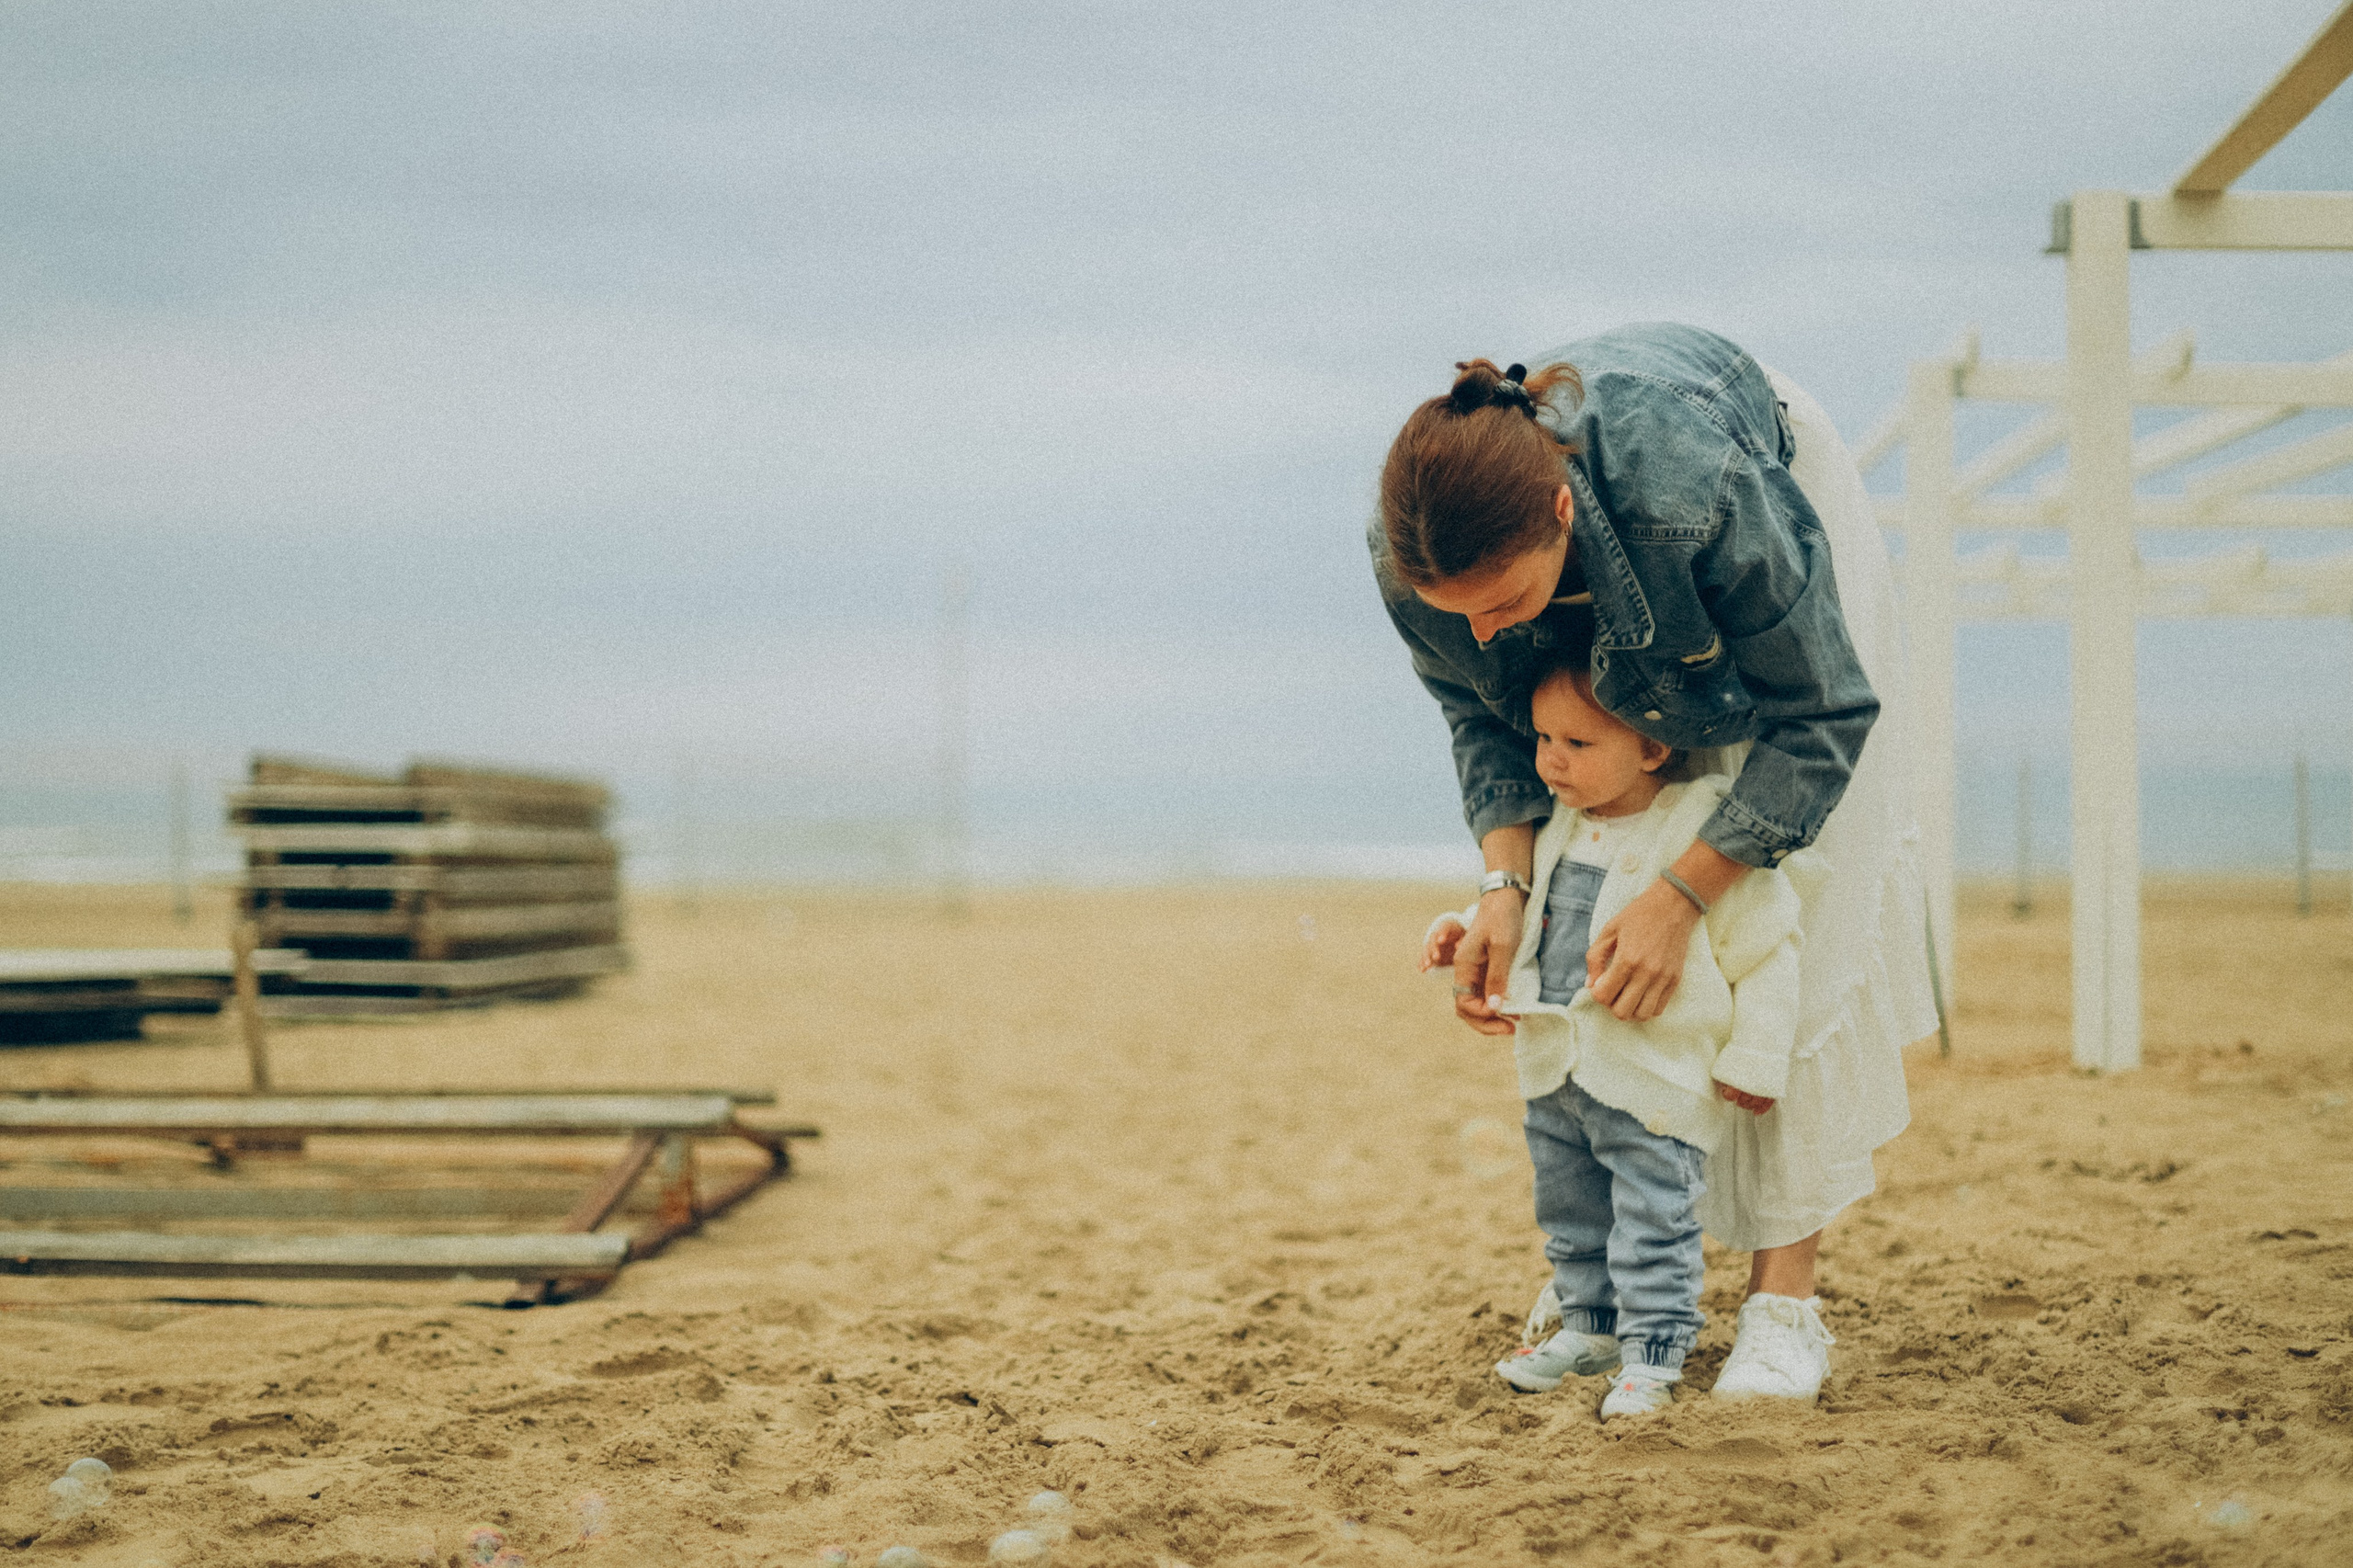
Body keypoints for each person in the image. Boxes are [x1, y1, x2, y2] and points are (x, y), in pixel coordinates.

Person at [1376, 324, 1938, 1401]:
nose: (1488, 634)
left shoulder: (1700, 488)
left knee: (1787, 908)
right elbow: (1487, 721)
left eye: (1503, 602)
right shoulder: (1418, 559)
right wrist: (1509, 888)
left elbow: (1819, 716)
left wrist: (1684, 893)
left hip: (1760, 490)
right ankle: (1616, 1288)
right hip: (1613, 539)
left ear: (1559, 512)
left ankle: (1786, 1305)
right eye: (1462, 613)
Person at [1423, 649, 1813, 1415]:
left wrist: (1757, 1056)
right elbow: (1534, 912)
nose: (1550, 762)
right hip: (1558, 1074)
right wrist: (1462, 927)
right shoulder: (1558, 825)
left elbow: (1770, 949)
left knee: (1651, 1223)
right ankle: (1591, 1328)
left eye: (1577, 744)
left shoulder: (1699, 827)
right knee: (1571, 1217)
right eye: (1541, 740)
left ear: (1652, 747)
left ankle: (1655, 1353)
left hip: (1656, 1081)